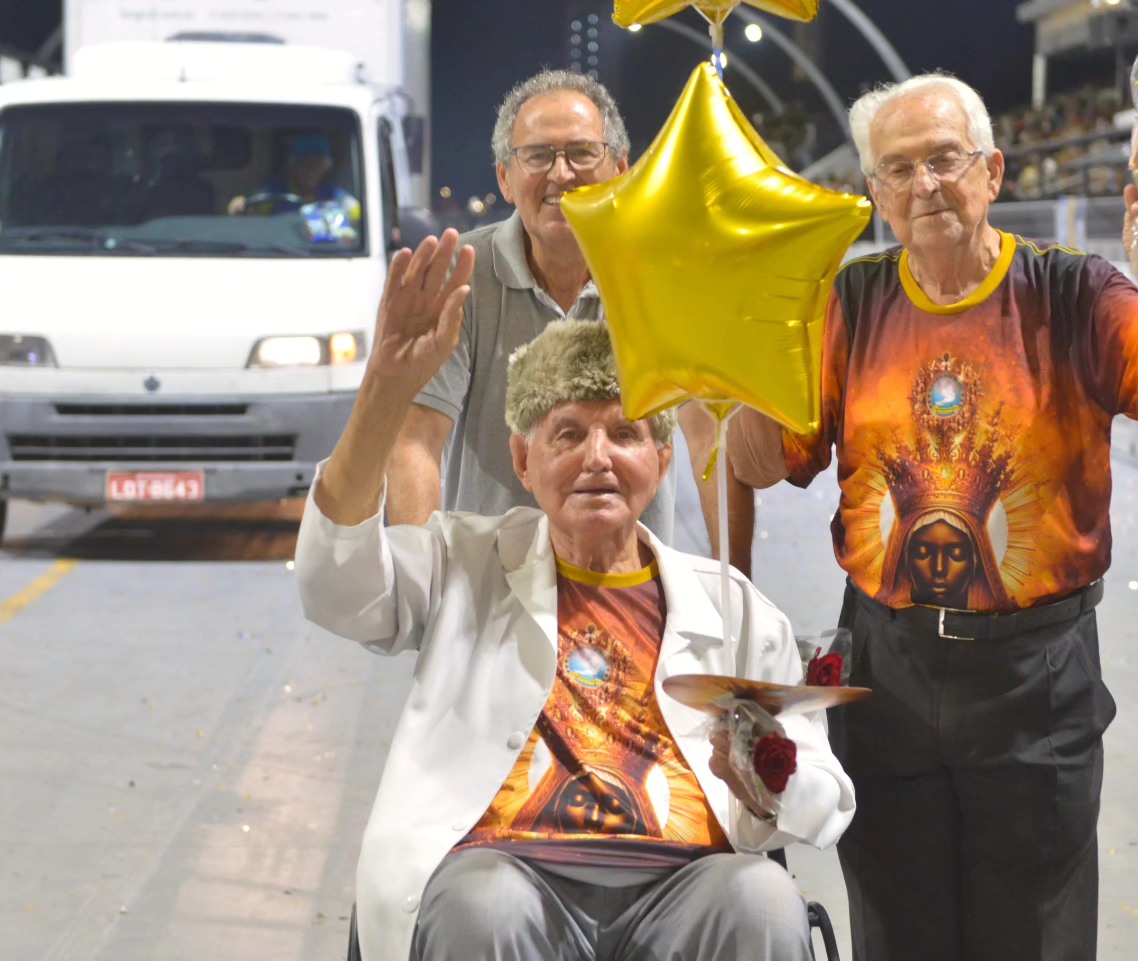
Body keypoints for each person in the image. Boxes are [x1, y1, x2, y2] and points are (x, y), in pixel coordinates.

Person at [722, 73, 1138, 961]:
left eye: (945, 160)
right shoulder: (847, 305)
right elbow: (763, 465)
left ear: (991, 171)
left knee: (1034, 935)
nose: (925, 186)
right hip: (887, 664)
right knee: (896, 927)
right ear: (874, 192)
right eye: (899, 169)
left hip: (1036, 674)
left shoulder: (1074, 291)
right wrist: (745, 351)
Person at [295, 229, 855, 961]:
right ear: (525, 460)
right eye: (568, 433)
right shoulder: (463, 562)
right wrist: (385, 390)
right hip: (510, 868)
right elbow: (334, 582)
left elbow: (825, 791)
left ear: (659, 459)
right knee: (482, 903)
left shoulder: (734, 609)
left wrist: (763, 781)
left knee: (763, 897)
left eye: (624, 432)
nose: (598, 458)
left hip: (682, 881)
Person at [385, 70, 690, 549]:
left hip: (630, 588)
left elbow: (711, 433)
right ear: (505, 179)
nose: (561, 173)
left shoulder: (665, 278)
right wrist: (421, 586)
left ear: (621, 169)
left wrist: (735, 586)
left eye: (582, 152)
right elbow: (415, 441)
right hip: (490, 584)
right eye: (538, 155)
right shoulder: (460, 274)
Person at [228, 133, 361, 241]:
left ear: (325, 168)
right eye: (305, 164)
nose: (310, 171)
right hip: (279, 253)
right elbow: (251, 212)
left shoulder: (333, 194)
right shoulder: (274, 190)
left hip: (324, 255)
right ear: (294, 166)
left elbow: (360, 213)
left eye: (317, 165)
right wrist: (239, 207)